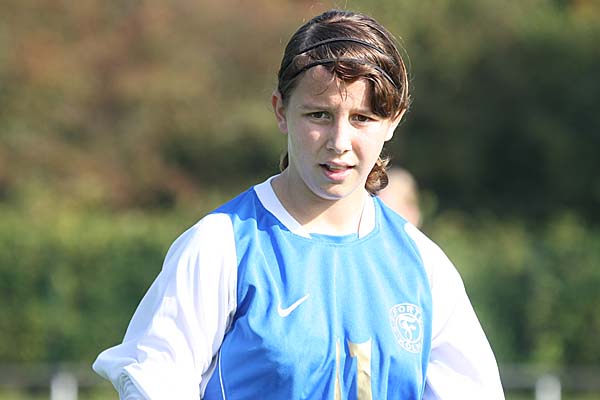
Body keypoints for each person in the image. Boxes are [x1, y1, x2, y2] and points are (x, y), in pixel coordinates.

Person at [93, 9, 505, 399]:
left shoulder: (422, 266)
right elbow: (154, 380)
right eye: (319, 115)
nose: (339, 142)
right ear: (281, 110)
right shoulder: (221, 247)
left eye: (362, 118)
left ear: (393, 121)